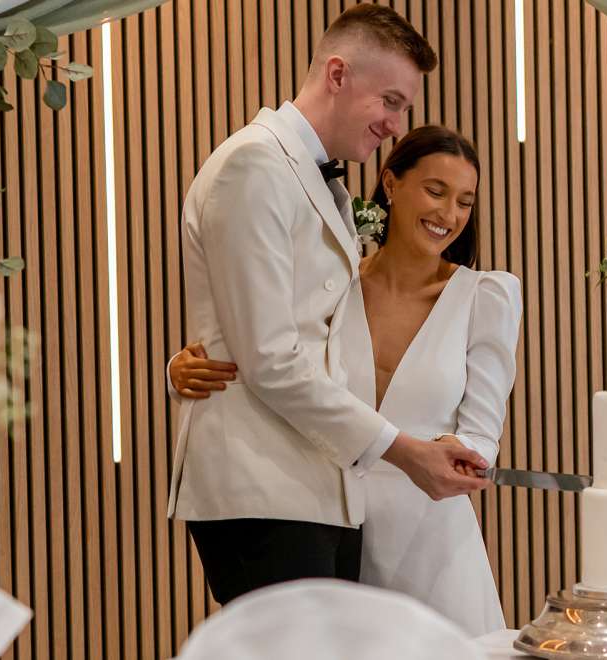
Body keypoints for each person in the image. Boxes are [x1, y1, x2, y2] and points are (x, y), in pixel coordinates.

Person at [167, 4, 492, 607]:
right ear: (337, 74)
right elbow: (270, 358)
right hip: (264, 483)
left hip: (321, 482)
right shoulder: (253, 166)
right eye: (390, 101)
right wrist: (403, 449)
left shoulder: (318, 181)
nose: (397, 125)